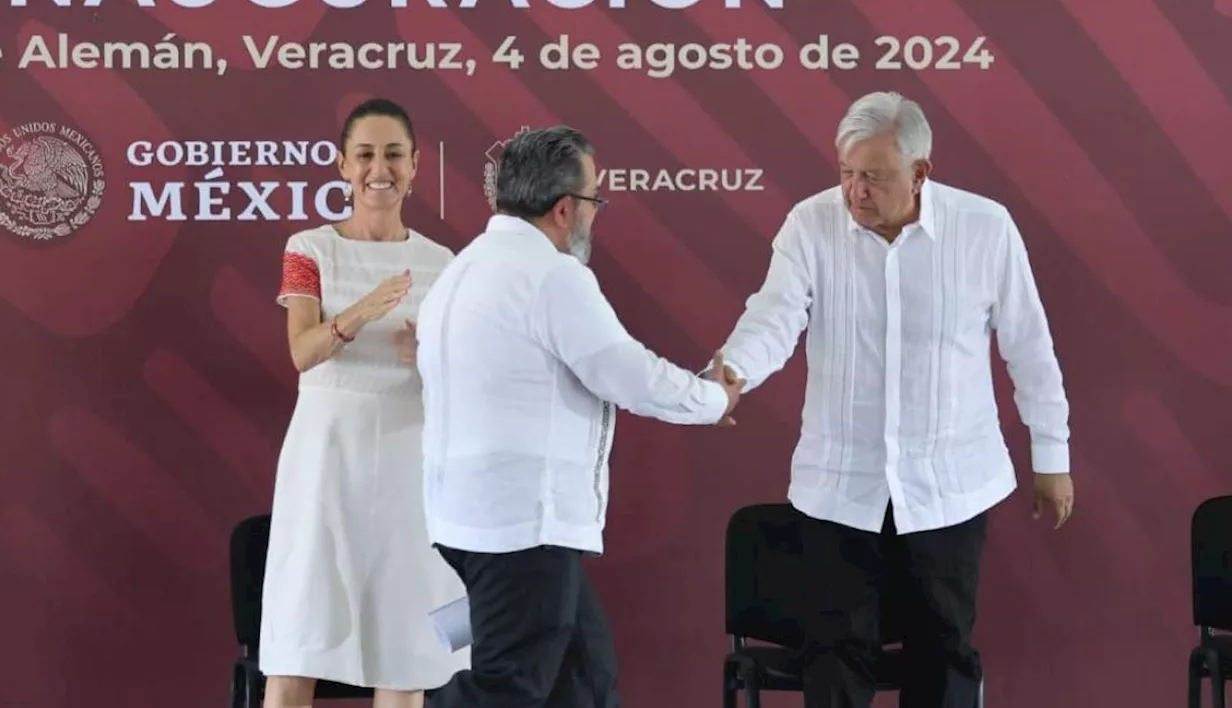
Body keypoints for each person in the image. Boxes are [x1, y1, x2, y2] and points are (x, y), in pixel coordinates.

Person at [708, 91, 1074, 708]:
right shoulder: (810, 224)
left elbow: (1029, 346)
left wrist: (1052, 454)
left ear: (921, 172)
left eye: (873, 177)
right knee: (834, 653)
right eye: (846, 173)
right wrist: (731, 371)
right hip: (840, 487)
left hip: (950, 484)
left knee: (945, 650)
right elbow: (773, 319)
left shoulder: (985, 228)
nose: (855, 192)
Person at [414, 126, 743, 708]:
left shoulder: (462, 271)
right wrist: (712, 398)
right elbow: (626, 373)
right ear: (565, 209)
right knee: (506, 689)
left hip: (477, 523)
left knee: (585, 680)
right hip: (523, 527)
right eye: (595, 200)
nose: (596, 215)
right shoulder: (551, 276)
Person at [259, 98, 470, 708]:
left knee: (409, 639)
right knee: (301, 628)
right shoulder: (309, 246)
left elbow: (461, 378)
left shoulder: (444, 264)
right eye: (366, 155)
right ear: (342, 165)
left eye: (393, 155)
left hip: (412, 459)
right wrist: (361, 313)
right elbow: (301, 352)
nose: (380, 169)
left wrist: (431, 358)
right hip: (324, 457)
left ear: (415, 166)